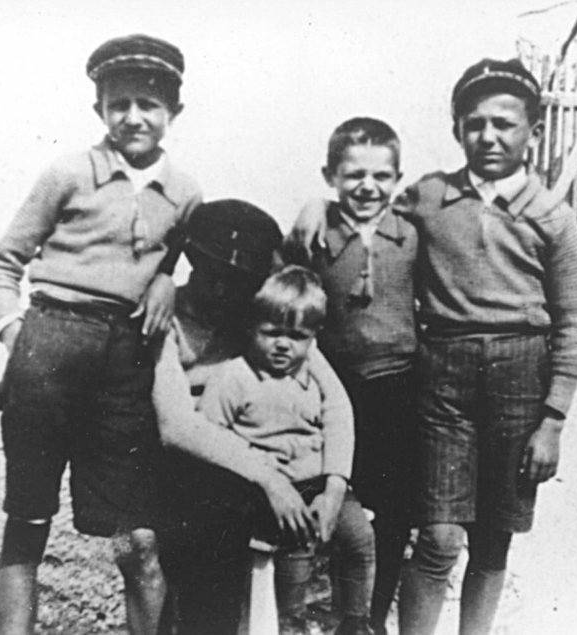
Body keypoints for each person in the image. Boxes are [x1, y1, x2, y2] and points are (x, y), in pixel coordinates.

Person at [290, 58, 577, 635]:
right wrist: (315, 206)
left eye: (505, 123)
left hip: (521, 374)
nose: (489, 136)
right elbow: (365, 214)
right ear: (458, 129)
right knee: (437, 535)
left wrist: (553, 419)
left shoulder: (552, 215)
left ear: (532, 129)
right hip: (443, 374)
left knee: (493, 537)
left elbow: (576, 321)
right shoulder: (429, 196)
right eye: (475, 123)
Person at [0, 34, 201, 635]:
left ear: (173, 113)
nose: (133, 117)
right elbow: (1, 265)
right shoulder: (68, 173)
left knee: (138, 539)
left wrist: (166, 284)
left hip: (124, 367)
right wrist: (18, 336)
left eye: (149, 104)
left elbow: (172, 264)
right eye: (119, 103)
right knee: (27, 525)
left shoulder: (184, 194)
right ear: (99, 109)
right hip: (48, 351)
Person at [151, 200, 356, 635]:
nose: (223, 293)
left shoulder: (264, 319)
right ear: (192, 266)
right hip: (196, 457)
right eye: (212, 276)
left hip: (264, 456)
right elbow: (177, 426)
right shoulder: (168, 316)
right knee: (216, 526)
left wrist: (335, 484)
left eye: (236, 281)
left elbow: (334, 400)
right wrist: (269, 478)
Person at [285, 117, 419, 635]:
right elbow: (280, 281)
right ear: (330, 176)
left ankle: (370, 618)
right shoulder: (315, 232)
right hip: (335, 387)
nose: (368, 186)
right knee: (337, 499)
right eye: (354, 174)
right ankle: (312, 607)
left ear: (398, 178)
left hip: (398, 386)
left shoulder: (410, 231)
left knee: (393, 511)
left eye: (382, 176)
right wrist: (310, 209)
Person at [198, 265, 376, 635]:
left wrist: (335, 483)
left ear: (313, 339)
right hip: (272, 490)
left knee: (360, 539)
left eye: (296, 336)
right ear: (252, 328)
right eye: (272, 333)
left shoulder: (311, 372)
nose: (283, 345)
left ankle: (356, 620)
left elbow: (338, 418)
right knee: (298, 550)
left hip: (320, 480)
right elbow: (210, 435)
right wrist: (257, 469)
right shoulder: (233, 377)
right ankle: (291, 622)